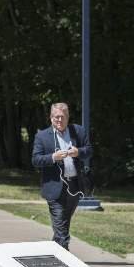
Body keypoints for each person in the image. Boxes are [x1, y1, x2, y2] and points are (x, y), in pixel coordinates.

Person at [31, 102, 92, 250]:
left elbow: (89, 150)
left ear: (68, 117)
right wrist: (53, 157)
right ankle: (65, 258)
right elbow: (35, 160)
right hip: (54, 188)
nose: (59, 120)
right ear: (51, 118)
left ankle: (54, 250)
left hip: (74, 186)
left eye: (62, 117)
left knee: (63, 224)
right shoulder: (42, 136)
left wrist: (78, 152)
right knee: (61, 228)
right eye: (56, 117)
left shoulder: (78, 131)